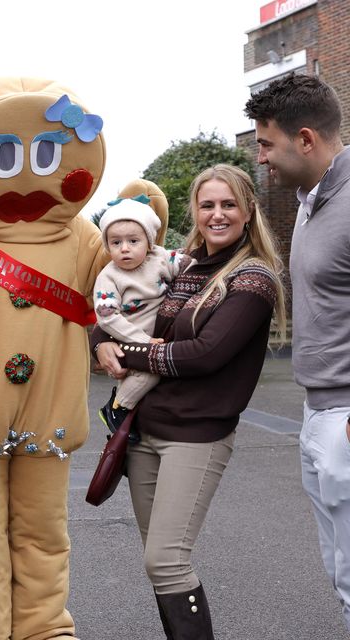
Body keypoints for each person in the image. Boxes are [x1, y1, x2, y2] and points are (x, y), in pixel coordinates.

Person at [93, 164, 287, 639]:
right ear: (195, 213)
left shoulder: (254, 277)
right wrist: (100, 337)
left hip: (196, 437)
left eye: (228, 205)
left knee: (166, 560)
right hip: (143, 433)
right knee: (158, 562)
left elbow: (205, 355)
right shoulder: (183, 266)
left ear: (248, 211)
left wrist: (128, 351)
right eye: (207, 205)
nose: (217, 214)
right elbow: (134, 311)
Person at [245, 74, 350, 633]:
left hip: (346, 418)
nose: (260, 157)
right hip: (317, 414)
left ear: (305, 139)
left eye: (265, 144)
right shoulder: (312, 200)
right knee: (340, 572)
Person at [93, 197, 192, 433]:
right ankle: (116, 409)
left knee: (145, 382)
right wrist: (143, 342)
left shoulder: (160, 258)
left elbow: (191, 266)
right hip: (132, 340)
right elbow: (107, 316)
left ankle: (129, 412)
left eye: (133, 241)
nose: (124, 248)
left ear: (149, 242)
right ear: (107, 246)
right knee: (148, 375)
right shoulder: (109, 277)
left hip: (157, 337)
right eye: (115, 242)